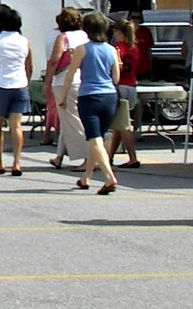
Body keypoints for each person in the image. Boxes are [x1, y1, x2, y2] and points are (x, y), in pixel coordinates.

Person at [60, 12, 120, 195]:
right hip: (109, 96)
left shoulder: (82, 49)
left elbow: (70, 74)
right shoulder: (111, 50)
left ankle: (109, 177)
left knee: (94, 139)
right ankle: (86, 176)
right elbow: (116, 78)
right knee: (98, 137)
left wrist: (63, 97)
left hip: (89, 96)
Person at [0, 7, 33, 176]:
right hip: (20, 85)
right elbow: (29, 67)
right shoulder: (25, 41)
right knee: (16, 126)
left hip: (0, 85)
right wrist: (26, 82)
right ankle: (17, 162)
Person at [46, 7, 89, 171]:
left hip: (64, 82)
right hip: (83, 80)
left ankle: (89, 157)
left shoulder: (63, 37)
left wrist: (47, 82)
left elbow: (54, 61)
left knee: (73, 121)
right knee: (68, 120)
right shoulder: (85, 36)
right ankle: (59, 156)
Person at [108, 19, 140, 169]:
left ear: (119, 32)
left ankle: (133, 158)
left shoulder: (116, 48)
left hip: (120, 86)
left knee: (125, 125)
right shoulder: (134, 48)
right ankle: (110, 156)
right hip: (131, 85)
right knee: (119, 124)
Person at [129, 10, 154, 133]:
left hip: (144, 70)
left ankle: (137, 127)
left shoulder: (146, 31)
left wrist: (151, 66)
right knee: (129, 101)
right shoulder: (126, 32)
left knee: (142, 100)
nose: (136, 20)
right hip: (129, 72)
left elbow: (149, 50)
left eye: (138, 17)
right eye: (133, 17)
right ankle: (129, 127)